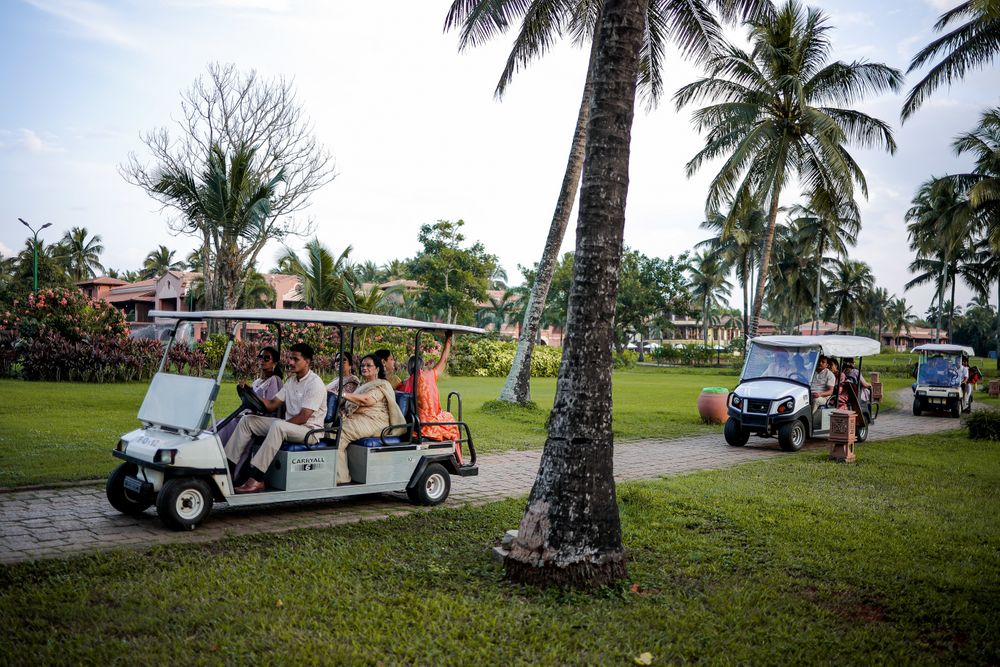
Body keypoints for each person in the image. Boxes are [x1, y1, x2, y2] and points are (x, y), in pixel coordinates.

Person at [224, 343, 327, 494]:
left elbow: (304, 416)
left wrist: (280, 425)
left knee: (278, 426)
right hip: (289, 426)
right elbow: (272, 405)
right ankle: (227, 469)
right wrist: (252, 394)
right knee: (248, 421)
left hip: (309, 431)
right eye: (290, 358)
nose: (291, 362)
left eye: (295, 359)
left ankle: (257, 479)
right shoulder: (291, 381)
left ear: (308, 361)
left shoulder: (315, 383)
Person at [336, 354, 407, 484]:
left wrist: (344, 394)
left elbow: (367, 400)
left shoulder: (382, 384)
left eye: (369, 365)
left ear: (377, 369)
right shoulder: (363, 385)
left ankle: (342, 478)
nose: (365, 368)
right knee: (330, 427)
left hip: (375, 422)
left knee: (339, 434)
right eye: (363, 365)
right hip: (360, 419)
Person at [398, 332, 460, 443]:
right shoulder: (429, 375)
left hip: (411, 422)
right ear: (422, 366)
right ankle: (457, 455)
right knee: (450, 418)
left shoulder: (403, 384)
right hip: (426, 423)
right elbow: (444, 360)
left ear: (409, 368)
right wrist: (448, 340)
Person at [216, 346, 283, 446]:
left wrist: (251, 393)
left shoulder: (274, 380)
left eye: (266, 358)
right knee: (221, 422)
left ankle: (224, 455)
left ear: (274, 363)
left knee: (229, 425)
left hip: (262, 418)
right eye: (261, 357)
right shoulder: (257, 381)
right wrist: (245, 390)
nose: (262, 360)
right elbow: (252, 399)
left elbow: (270, 406)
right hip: (249, 414)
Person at [325, 352, 360, 418]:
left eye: (343, 360)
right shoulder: (336, 379)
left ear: (350, 365)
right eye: (337, 360)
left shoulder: (352, 380)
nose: (339, 362)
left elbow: (341, 399)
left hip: (335, 414)